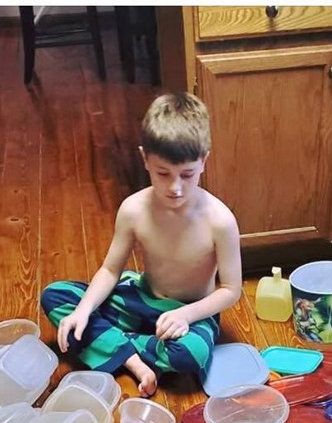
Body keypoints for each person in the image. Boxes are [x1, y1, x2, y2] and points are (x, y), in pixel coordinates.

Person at [41, 92, 242, 397]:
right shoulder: (133, 209)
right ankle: (135, 360)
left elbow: (230, 290)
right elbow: (110, 270)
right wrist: (83, 310)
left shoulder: (220, 221)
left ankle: (113, 343)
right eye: (163, 173)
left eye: (187, 174)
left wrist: (186, 315)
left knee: (190, 354)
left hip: (191, 310)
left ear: (204, 160)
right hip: (141, 297)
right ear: (145, 158)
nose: (175, 187)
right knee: (56, 296)